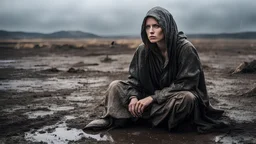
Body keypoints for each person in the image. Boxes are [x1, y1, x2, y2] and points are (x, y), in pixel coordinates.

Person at [84, 6, 225, 133]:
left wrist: (152, 98)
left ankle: (137, 118)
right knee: (115, 86)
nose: (151, 31)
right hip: (146, 100)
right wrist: (133, 98)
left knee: (187, 99)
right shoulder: (143, 50)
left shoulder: (185, 49)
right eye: (147, 27)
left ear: (167, 26)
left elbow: (187, 84)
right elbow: (134, 80)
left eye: (156, 26)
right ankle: (115, 117)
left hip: (168, 101)